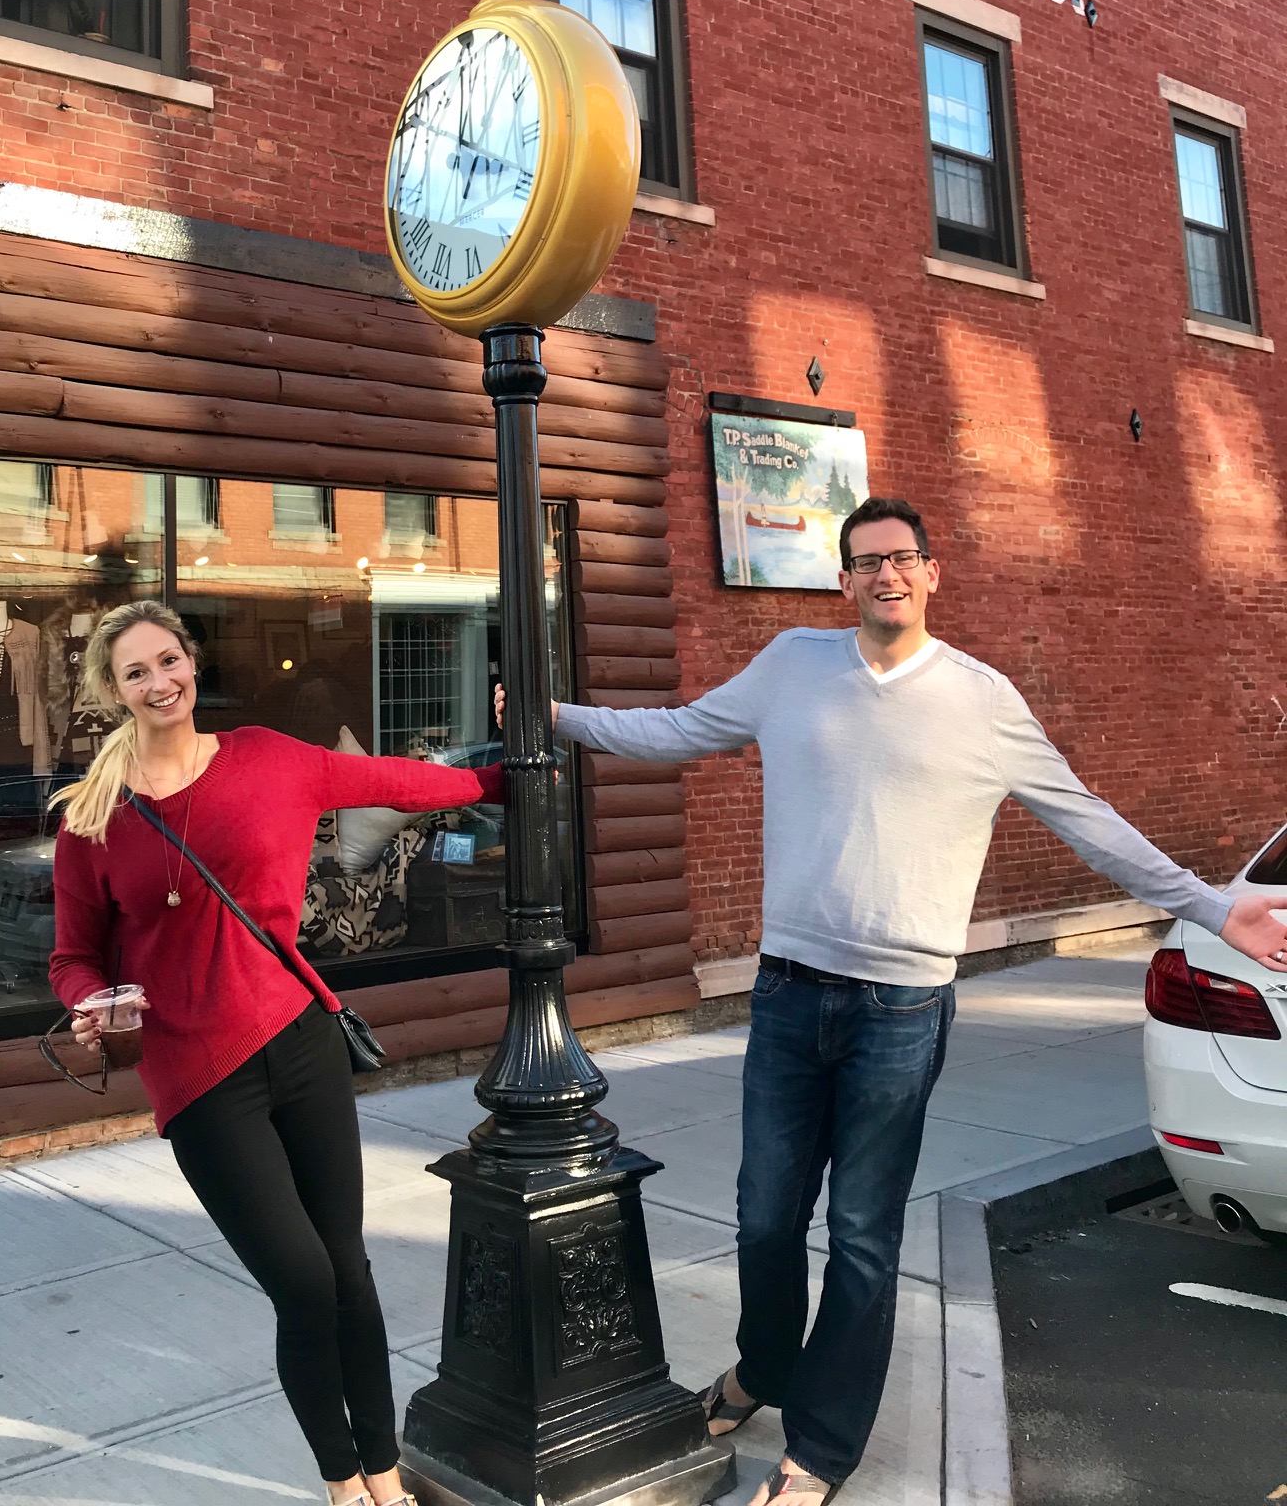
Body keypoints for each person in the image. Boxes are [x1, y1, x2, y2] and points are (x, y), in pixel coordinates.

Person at [499, 497, 1287, 1501]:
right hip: (789, 995)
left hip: (900, 1013)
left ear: (931, 572)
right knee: (764, 1219)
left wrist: (1213, 908)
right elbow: (677, 730)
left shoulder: (982, 699)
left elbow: (1088, 821)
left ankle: (821, 1448)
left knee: (863, 1235)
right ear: (844, 580)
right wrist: (555, 716)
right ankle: (764, 1367)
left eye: (904, 558)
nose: (887, 574)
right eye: (867, 561)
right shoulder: (792, 664)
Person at [49, 599, 503, 1506]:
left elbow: (396, 782)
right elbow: (72, 957)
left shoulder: (266, 758)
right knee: (301, 1283)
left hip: (299, 1041)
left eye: (168, 660)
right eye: (136, 672)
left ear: (191, 662)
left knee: (347, 1273)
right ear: (114, 690)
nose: (159, 682)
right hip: (197, 1075)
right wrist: (88, 1002)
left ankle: (385, 1477)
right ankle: (343, 1483)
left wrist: (502, 775)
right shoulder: (93, 818)